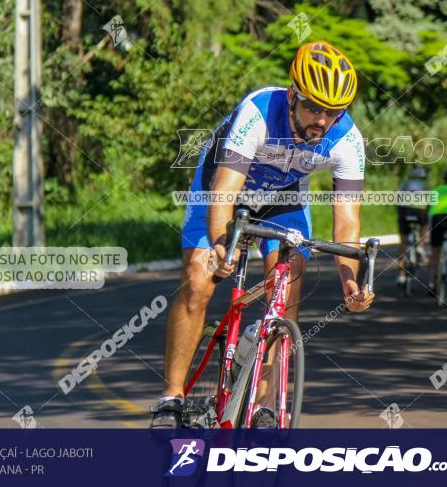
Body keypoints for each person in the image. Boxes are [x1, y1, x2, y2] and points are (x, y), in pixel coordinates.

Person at [151, 41, 374, 429]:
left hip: (283, 199)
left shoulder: (348, 139)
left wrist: (350, 280)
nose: (322, 120)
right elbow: (225, 191)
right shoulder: (258, 112)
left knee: (286, 288)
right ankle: (171, 397)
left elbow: (347, 224)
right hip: (222, 188)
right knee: (200, 279)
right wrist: (222, 244)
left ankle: (265, 403)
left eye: (333, 111)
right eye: (313, 108)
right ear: (292, 96)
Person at [395, 165, 429, 285]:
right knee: (425, 224)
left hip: (405, 212)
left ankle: (401, 276)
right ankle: (420, 246)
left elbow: (397, 199)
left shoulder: (405, 183)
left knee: (403, 243)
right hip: (419, 212)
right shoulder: (426, 185)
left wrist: (399, 213)